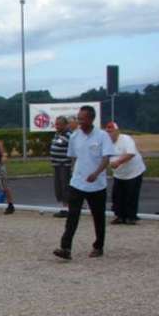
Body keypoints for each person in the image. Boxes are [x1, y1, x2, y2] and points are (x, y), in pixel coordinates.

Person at [54, 105, 115, 260]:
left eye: (82, 118)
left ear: (91, 119)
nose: (79, 121)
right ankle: (65, 248)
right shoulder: (75, 136)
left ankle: (98, 246)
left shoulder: (102, 136)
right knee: (72, 215)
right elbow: (73, 157)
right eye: (78, 118)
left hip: (97, 185)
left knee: (98, 217)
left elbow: (106, 157)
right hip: (78, 183)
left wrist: (96, 173)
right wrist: (74, 173)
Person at [106, 121, 146, 225]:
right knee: (117, 195)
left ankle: (131, 217)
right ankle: (119, 216)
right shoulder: (106, 142)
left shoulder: (125, 139)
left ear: (117, 131)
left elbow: (131, 153)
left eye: (111, 131)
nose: (109, 133)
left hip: (134, 172)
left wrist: (118, 162)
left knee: (131, 195)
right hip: (119, 174)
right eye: (108, 131)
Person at [50, 116, 72, 218]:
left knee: (65, 187)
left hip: (64, 165)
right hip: (57, 165)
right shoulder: (57, 134)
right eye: (56, 124)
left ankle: (68, 209)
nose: (56, 126)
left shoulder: (68, 135)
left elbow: (65, 146)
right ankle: (64, 207)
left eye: (59, 124)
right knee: (59, 187)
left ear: (65, 125)